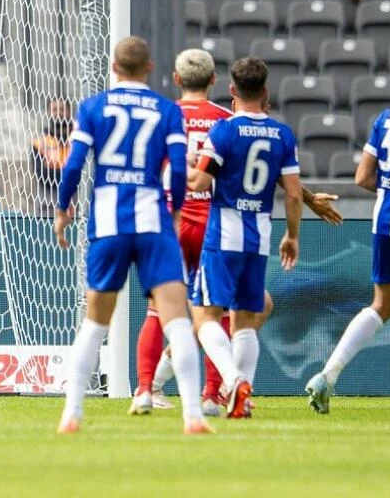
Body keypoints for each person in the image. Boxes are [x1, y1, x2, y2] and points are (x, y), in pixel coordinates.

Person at [133, 50, 343, 417]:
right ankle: (222, 395)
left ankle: (159, 389)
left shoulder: (192, 123)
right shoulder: (262, 128)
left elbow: (185, 174)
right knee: (245, 314)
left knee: (182, 313)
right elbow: (287, 185)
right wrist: (301, 218)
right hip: (254, 233)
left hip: (196, 226)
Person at [54, 36, 211, 435]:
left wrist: (62, 208)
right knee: (176, 318)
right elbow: (178, 166)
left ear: (113, 67)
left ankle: (72, 414)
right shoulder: (166, 110)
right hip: (153, 220)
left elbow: (73, 165)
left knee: (95, 321)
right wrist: (174, 213)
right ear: (151, 67)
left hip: (109, 221)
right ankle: (193, 415)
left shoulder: (93, 108)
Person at [306, 55, 390, 414]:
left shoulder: (387, 118)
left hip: (385, 219)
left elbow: (362, 177)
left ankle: (327, 375)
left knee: (382, 305)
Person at [187, 57, 303, 418]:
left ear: (233, 91)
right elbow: (294, 194)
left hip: (223, 233)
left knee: (205, 317)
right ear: (266, 92)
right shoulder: (282, 134)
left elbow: (201, 183)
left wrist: (182, 166)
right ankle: (244, 401)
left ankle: (235, 380)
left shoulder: (223, 131)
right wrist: (293, 236)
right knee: (246, 319)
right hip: (260, 236)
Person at [31, 98, 72, 216]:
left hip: (75, 201)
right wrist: (71, 174)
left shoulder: (77, 139)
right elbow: (42, 175)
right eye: (54, 109)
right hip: (48, 203)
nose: (58, 113)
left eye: (62, 109)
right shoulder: (39, 143)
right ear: (48, 112)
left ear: (69, 111)